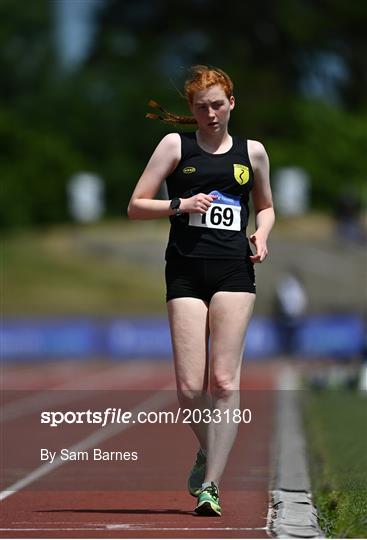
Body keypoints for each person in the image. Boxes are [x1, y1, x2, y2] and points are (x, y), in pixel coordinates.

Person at [127, 65, 275, 516]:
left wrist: (262, 234)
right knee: (191, 388)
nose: (210, 113)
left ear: (232, 103)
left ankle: (211, 486)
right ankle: (211, 448)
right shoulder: (176, 145)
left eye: (216, 104)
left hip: (234, 272)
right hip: (186, 273)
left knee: (224, 381)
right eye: (201, 107)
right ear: (191, 111)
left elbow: (266, 208)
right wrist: (181, 204)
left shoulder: (254, 152)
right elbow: (135, 205)